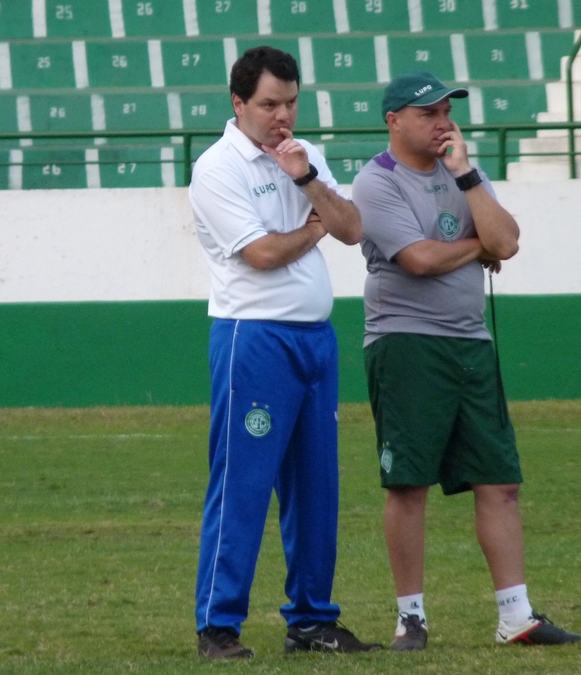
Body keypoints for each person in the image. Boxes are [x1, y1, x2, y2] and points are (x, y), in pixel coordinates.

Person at [351, 71, 581, 651]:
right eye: (428, 112)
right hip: (406, 344)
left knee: (500, 481)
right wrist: (479, 247)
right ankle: (410, 619)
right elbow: (420, 259)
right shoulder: (375, 181)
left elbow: (507, 241)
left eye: (446, 111)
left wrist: (467, 176)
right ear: (394, 121)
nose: (443, 122)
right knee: (408, 484)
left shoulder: (464, 174)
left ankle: (516, 616)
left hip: (471, 343)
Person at [188, 46, 382, 659]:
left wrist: (306, 180)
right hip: (254, 338)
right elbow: (263, 254)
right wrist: (313, 225)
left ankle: (312, 621)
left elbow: (352, 228)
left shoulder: (305, 154)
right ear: (238, 103)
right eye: (270, 104)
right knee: (242, 483)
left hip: (314, 340)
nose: (283, 116)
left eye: (292, 103)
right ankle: (218, 625)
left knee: (316, 487)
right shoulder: (217, 169)